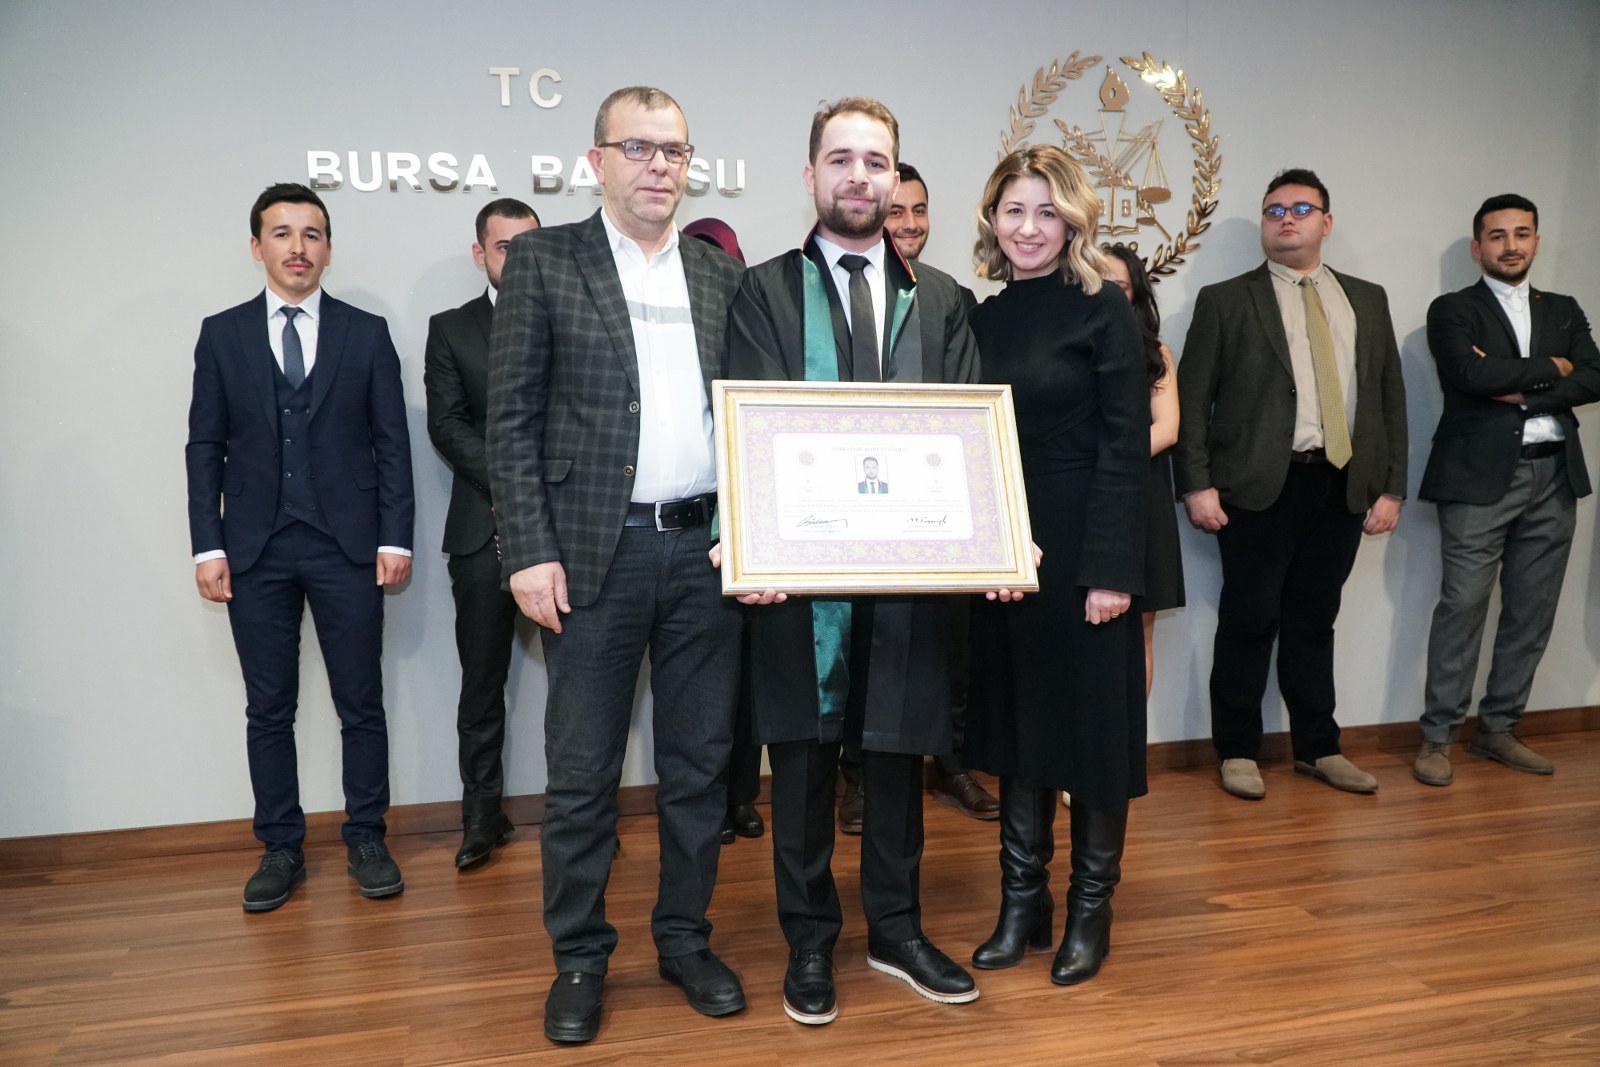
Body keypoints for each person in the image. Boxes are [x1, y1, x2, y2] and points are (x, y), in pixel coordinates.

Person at [485, 86, 746, 1045]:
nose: (659, 165)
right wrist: (528, 549)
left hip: (704, 553)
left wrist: (751, 528)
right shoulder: (545, 261)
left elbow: (750, 412)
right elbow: (510, 419)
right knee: (583, 773)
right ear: (596, 161)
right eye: (638, 148)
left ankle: (684, 939)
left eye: (674, 150)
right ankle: (580, 958)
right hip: (594, 554)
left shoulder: (722, 274)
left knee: (698, 767)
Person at [726, 97, 986, 1025]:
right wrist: (753, 539)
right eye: (840, 159)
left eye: (876, 162)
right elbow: (746, 424)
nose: (858, 176)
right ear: (811, 176)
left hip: (910, 573)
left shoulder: (941, 297)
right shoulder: (761, 292)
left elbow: (966, 433)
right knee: (802, 760)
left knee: (898, 752)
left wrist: (987, 533)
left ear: (895, 178)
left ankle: (896, 928)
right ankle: (808, 938)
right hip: (800, 579)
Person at [186, 182, 414, 912]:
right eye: (282, 234)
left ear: (328, 248)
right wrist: (206, 547)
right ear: (257, 247)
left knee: (361, 703)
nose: (298, 247)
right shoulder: (222, 335)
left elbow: (393, 444)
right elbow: (204, 448)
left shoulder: (366, 333)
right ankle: (281, 847)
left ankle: (367, 838)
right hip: (254, 549)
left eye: (312, 234)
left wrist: (395, 536)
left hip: (348, 547)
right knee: (268, 708)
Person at [962, 146, 1147, 987]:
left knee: (1094, 733)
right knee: (1019, 723)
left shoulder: (1104, 309)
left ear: (1073, 220)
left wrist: (1112, 569)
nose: (1030, 228)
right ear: (992, 219)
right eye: (1015, 211)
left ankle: (1089, 910)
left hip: (1085, 548)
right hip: (1007, 550)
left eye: (1047, 212)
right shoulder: (984, 317)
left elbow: (1126, 446)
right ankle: (1022, 904)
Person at [1174, 168, 1407, 800]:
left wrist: (1392, 487)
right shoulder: (1226, 300)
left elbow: (1389, 396)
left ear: (1326, 223)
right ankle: (1237, 750)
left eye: (1301, 209)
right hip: (1256, 488)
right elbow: (1192, 400)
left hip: (1341, 486)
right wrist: (1195, 484)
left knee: (1314, 620)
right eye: (1274, 210)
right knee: (1248, 621)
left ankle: (1318, 747)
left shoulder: (1368, 299)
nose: (1286, 219)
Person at [1414, 194, 1600, 786]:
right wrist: (1556, 367)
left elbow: (1595, 375)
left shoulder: (1563, 309)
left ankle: (1499, 728)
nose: (1510, 245)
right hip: (1477, 478)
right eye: (1497, 236)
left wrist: (1521, 390)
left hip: (1555, 475)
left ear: (1537, 241)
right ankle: (1438, 737)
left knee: (1531, 611)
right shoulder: (1452, 310)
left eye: (1522, 233)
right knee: (1463, 606)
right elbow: (1470, 375)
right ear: (1478, 248)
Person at [839, 161, 998, 829]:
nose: (909, 223)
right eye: (897, 209)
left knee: (948, 646)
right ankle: (855, 776)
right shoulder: (826, 293)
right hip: (852, 507)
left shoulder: (949, 297)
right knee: (857, 649)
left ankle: (951, 764)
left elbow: (966, 408)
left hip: (932, 510)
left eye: (919, 210)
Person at [423, 197, 541, 870]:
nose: (519, 260)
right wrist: (518, 483)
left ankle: (584, 818)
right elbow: (447, 425)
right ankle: (480, 816)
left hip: (566, 534)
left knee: (582, 690)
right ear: (481, 254)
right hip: (480, 532)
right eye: (505, 248)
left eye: (530, 247)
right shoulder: (451, 329)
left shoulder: (573, 321)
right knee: (481, 685)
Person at [682, 217, 766, 845]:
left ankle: (740, 796)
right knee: (696, 696)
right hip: (684, 526)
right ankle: (710, 804)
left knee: (742, 686)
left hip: (744, 518)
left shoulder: (753, 312)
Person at [1102, 244, 1186, 693]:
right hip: (1081, 499)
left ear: (1135, 294)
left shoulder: (1156, 352)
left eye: (1118, 286)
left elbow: (1167, 429)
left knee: (1139, 633)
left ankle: (1131, 736)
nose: (1107, 294)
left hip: (1141, 495)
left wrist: (1105, 464)